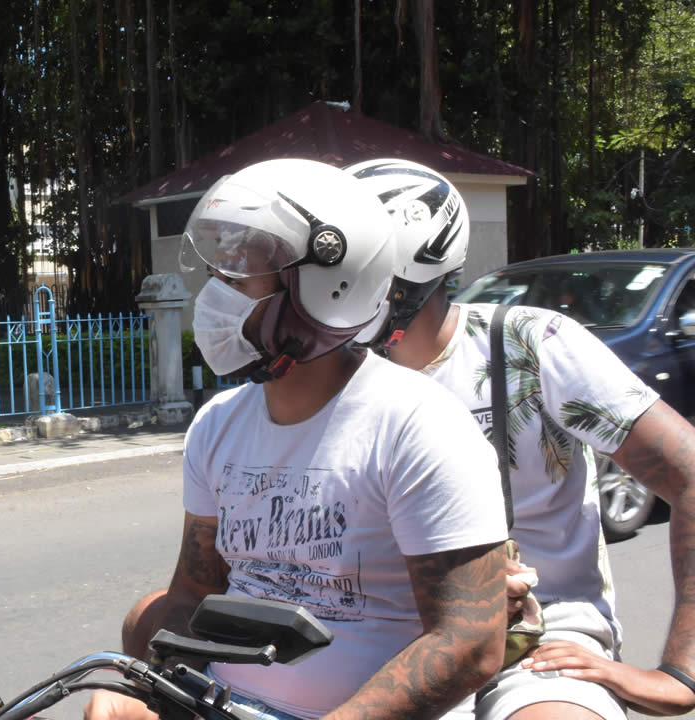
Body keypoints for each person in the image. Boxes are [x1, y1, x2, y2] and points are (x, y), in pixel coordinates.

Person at [85, 158, 511, 720]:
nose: (214, 295)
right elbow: (192, 594)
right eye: (217, 273)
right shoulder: (216, 425)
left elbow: (470, 641)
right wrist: (148, 689)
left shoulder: (418, 424)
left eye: (239, 275)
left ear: (328, 287)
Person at [345, 157, 695, 718]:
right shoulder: (324, 373)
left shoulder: (529, 345)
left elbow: (689, 473)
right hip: (376, 633)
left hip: (536, 640)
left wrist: (680, 673)